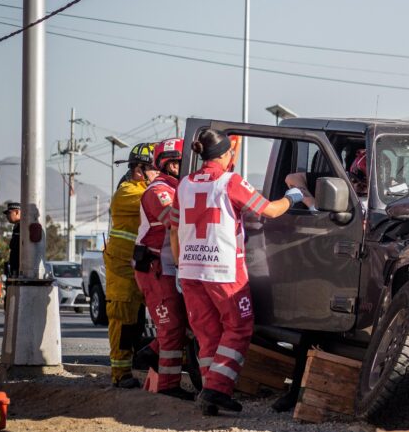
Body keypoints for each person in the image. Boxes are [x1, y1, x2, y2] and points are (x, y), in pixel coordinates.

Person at [169, 128, 304, 415]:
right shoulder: (230, 182)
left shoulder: (183, 185)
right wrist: (293, 197)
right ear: (226, 154)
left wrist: (182, 264)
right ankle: (217, 389)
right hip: (223, 270)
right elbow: (268, 210)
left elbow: (173, 230)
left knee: (208, 334)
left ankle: (208, 391)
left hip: (191, 271)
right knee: (239, 326)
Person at [132, 138, 192, 400]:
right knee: (171, 327)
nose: (183, 166)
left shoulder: (179, 187)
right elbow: (174, 220)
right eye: (177, 162)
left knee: (184, 322)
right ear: (166, 164)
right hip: (155, 268)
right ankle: (168, 387)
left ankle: (149, 353)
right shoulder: (159, 191)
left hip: (170, 266)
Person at [105, 142, 159, 388]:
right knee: (124, 318)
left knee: (162, 313)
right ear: (139, 170)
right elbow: (156, 201)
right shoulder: (129, 192)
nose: (159, 174)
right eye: (155, 169)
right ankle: (121, 373)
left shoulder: (145, 187)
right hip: (122, 267)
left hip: (141, 263)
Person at [3, 202, 21, 278]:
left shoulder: (23, 226)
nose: (7, 216)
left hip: (20, 268)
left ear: (17, 212)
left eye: (9, 213)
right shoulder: (17, 226)